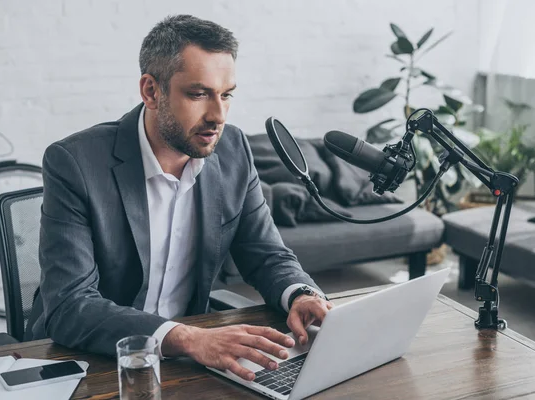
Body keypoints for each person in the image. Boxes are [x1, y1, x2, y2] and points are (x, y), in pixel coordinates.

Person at [25, 14, 333, 382]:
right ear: (151, 91)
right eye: (198, 94)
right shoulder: (75, 162)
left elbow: (266, 254)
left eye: (227, 94)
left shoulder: (234, 150)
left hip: (189, 360)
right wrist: (187, 338)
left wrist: (301, 295)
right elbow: (69, 305)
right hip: (90, 360)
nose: (218, 115)